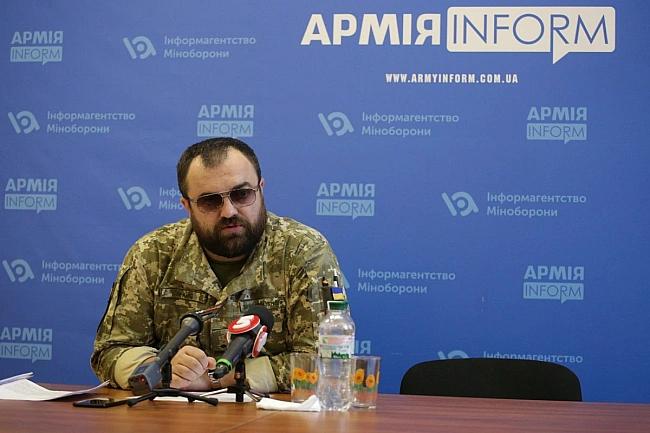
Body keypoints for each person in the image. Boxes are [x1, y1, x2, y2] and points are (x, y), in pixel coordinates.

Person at [91, 137, 345, 394]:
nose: (229, 211)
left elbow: (325, 362)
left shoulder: (303, 251)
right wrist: (161, 371)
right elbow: (110, 351)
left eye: (242, 194)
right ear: (187, 206)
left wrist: (215, 379)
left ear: (260, 190)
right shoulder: (153, 253)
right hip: (172, 414)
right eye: (210, 201)